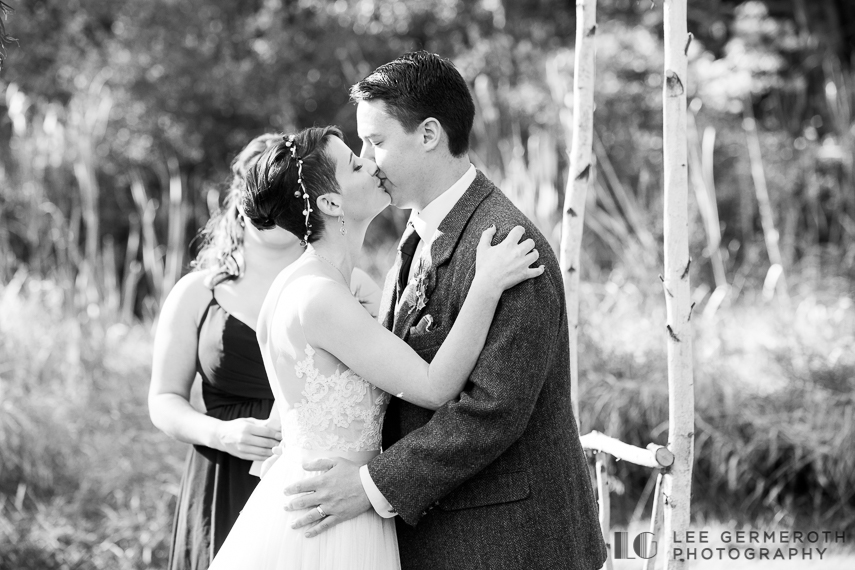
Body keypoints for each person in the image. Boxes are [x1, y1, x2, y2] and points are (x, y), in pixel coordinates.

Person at [285, 51, 609, 570]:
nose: (368, 160)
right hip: (446, 532)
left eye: (377, 141)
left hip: (506, 541)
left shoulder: (505, 245)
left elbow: (492, 411)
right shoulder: (420, 230)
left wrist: (372, 484)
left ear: (430, 134)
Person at [207, 126, 542, 569]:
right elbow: (433, 385)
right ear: (330, 203)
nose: (370, 162)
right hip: (336, 517)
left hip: (324, 497)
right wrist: (485, 286)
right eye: (354, 163)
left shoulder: (312, 284)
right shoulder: (320, 298)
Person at [148, 133, 382, 569]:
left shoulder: (346, 285)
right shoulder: (198, 293)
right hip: (222, 475)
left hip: (314, 482)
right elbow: (163, 399)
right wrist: (221, 434)